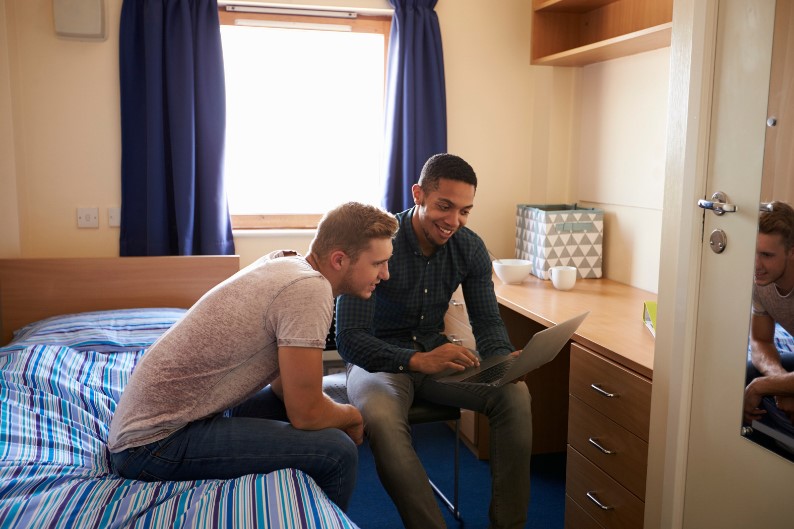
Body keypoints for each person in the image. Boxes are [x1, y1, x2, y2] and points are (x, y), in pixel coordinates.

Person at [107, 202, 398, 511]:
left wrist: (326, 412)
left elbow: (284, 391)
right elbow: (307, 414)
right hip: (150, 446)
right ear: (339, 259)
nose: (386, 274)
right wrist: (353, 417)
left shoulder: (284, 262)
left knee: (296, 407)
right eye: (378, 263)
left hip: (145, 429)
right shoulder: (309, 290)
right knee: (337, 450)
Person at [335, 153, 533, 529]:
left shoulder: (470, 248)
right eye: (445, 206)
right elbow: (350, 339)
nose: (453, 221)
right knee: (379, 416)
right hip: (378, 363)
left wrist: (505, 362)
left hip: (438, 358)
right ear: (418, 195)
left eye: (465, 211)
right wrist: (415, 360)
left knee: (515, 394)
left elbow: (488, 321)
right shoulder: (374, 242)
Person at [745, 201, 794, 433]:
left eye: (766, 254)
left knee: (755, 386)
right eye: (753, 252)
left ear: (792, 251)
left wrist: (763, 386)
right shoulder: (761, 283)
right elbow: (760, 341)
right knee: (744, 373)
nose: (756, 265)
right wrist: (780, 382)